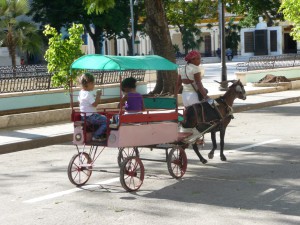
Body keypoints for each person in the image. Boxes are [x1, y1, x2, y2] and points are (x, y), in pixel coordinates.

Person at [78, 73, 107, 142]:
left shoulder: (81, 92)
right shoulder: (88, 94)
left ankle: (99, 134)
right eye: (93, 84)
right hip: (91, 116)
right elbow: (95, 104)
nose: (94, 85)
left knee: (102, 118)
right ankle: (96, 136)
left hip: (84, 116)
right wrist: (98, 95)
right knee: (107, 121)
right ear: (89, 83)